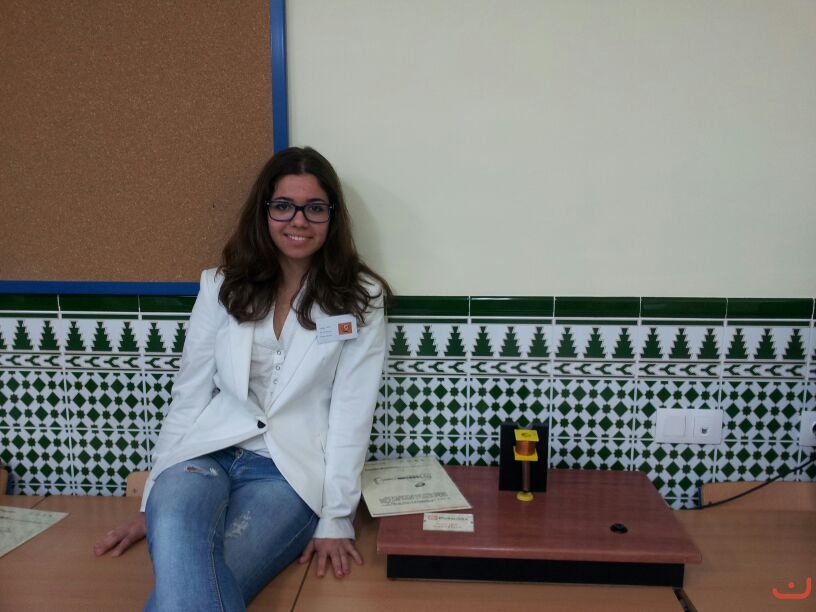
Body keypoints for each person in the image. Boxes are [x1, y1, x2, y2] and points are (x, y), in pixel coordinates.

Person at [93, 146, 392, 610]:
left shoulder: (360, 298)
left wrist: (336, 517)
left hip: (286, 474)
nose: (299, 220)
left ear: (332, 217)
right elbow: (189, 395)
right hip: (202, 456)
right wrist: (153, 504)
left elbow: (352, 413)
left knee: (190, 590)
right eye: (283, 206)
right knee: (183, 549)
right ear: (264, 211)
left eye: (315, 208)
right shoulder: (220, 286)